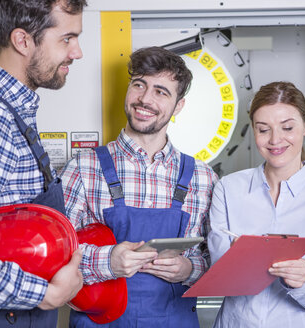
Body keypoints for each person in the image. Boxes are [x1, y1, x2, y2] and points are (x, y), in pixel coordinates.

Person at [0, 0, 87, 327]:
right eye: (66, 39)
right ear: (23, 41)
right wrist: (45, 295)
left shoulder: (10, 107)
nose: (77, 52)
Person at [60, 46, 218, 327]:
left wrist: (189, 269)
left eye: (161, 91)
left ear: (178, 105)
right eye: (139, 85)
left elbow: (217, 262)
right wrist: (108, 262)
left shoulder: (202, 178)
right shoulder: (83, 168)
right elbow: (56, 257)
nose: (145, 99)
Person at [208, 81, 305, 328]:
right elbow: (218, 276)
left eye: (287, 127)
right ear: (253, 130)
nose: (275, 140)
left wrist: (301, 281)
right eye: (263, 130)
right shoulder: (228, 189)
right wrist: (238, 261)